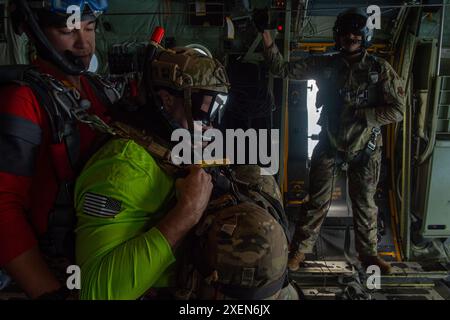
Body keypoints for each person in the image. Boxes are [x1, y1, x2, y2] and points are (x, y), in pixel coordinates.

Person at [74, 46, 295, 300]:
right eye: (206, 107)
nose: (212, 121)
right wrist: (186, 214)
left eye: (218, 108)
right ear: (167, 99)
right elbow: (95, 291)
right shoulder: (124, 166)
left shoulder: (179, 143)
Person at [254, 7, 406, 273]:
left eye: (356, 35)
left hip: (366, 147)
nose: (350, 39)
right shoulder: (326, 65)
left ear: (365, 36)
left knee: (366, 204)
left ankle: (369, 256)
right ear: (338, 38)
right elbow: (280, 68)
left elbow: (398, 110)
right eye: (346, 35)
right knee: (315, 202)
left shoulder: (379, 70)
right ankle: (298, 253)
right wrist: (265, 34)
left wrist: (365, 115)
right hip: (330, 144)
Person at [0, 0, 118, 299]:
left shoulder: (99, 90)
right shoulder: (22, 100)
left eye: (90, 28)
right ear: (34, 30)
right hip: (56, 269)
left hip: (103, 254)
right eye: (69, 30)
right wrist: (48, 292)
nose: (84, 43)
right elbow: (3, 207)